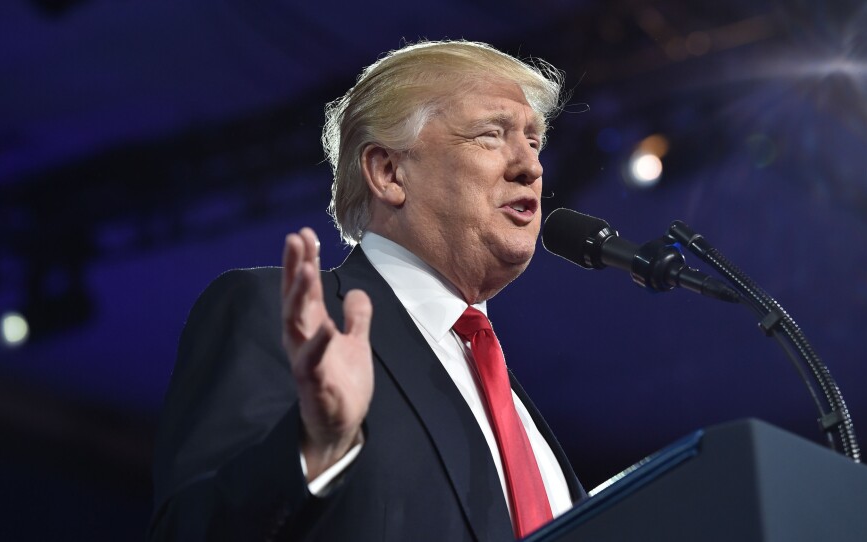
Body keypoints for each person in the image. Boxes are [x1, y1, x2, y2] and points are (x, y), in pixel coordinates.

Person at [150, 40, 586, 541]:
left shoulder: (511, 402)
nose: (531, 167)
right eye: (491, 134)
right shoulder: (275, 314)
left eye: (533, 142)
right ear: (387, 172)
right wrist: (313, 446)